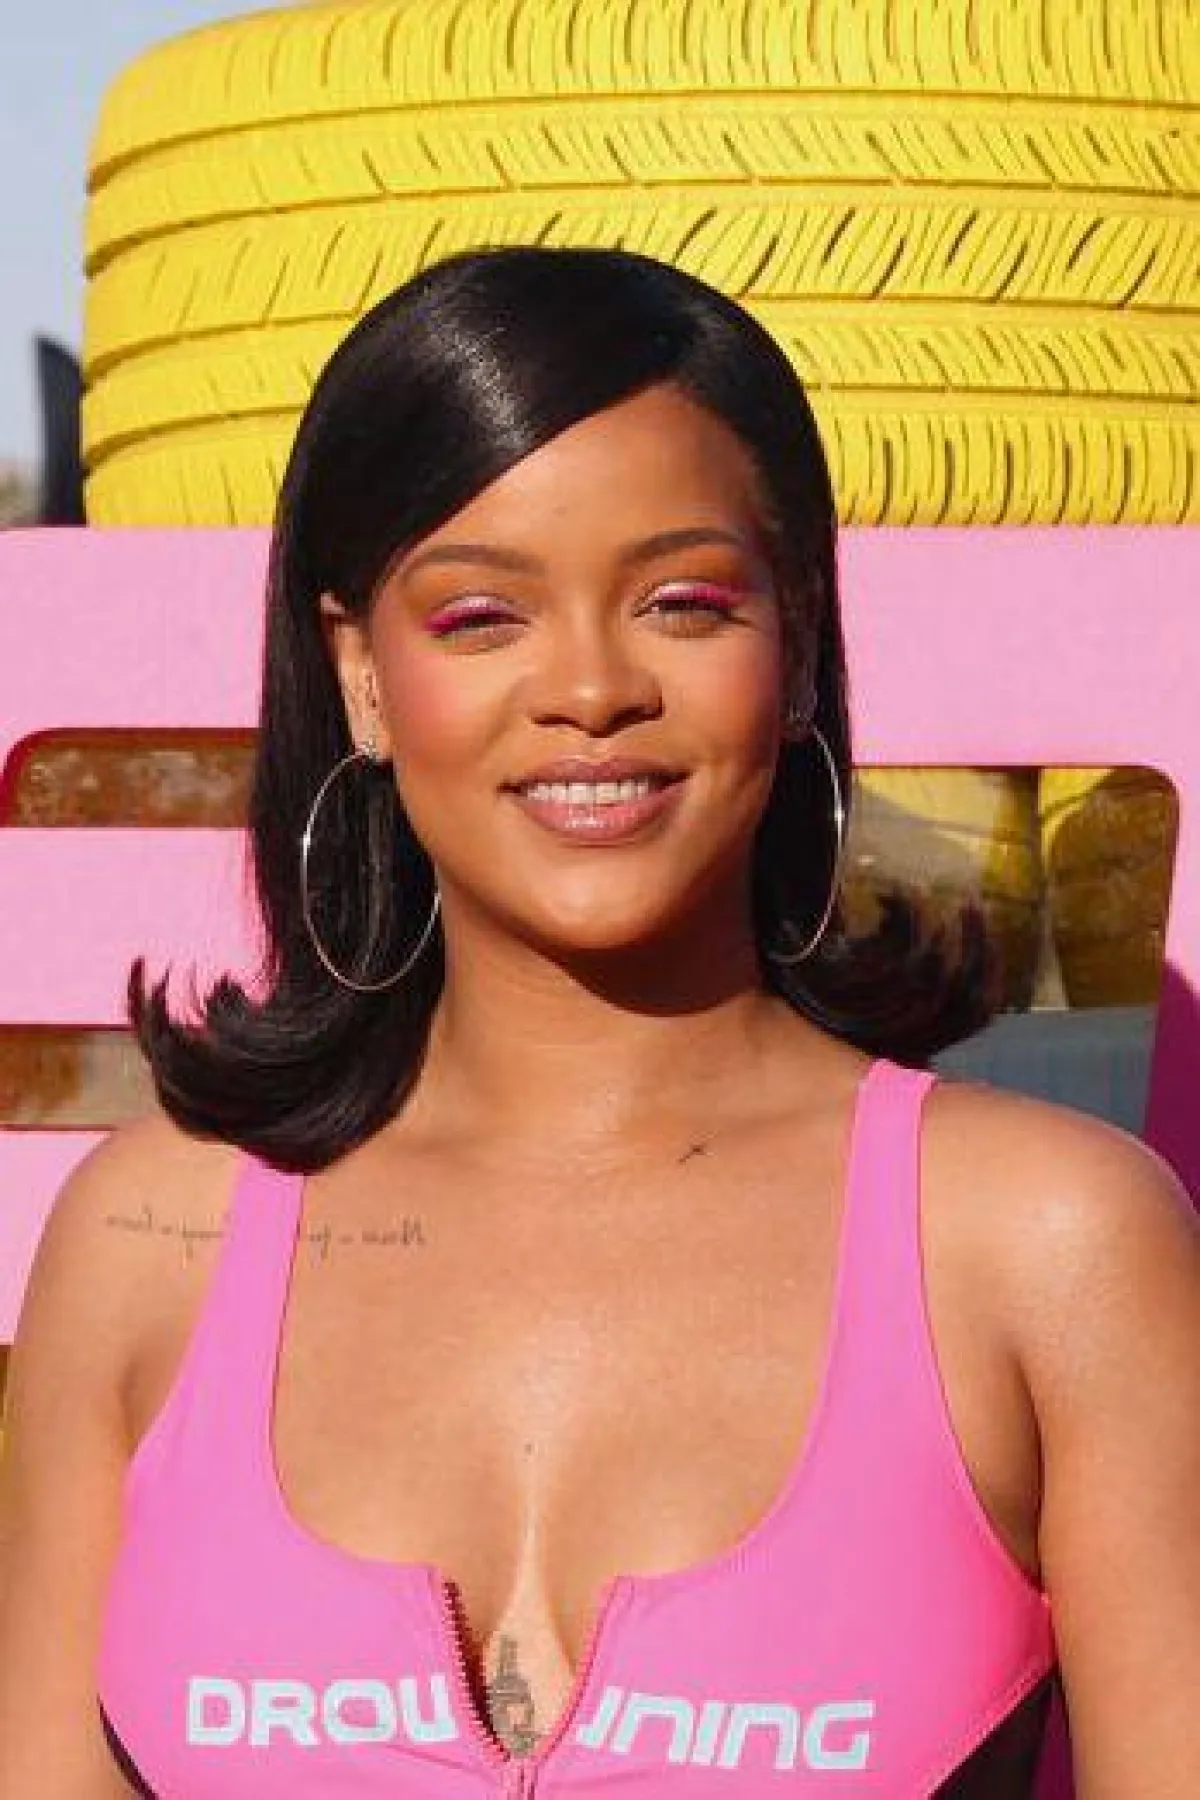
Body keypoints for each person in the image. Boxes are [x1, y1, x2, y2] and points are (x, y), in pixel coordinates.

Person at [0, 246, 1196, 1798]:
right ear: (362, 676)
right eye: (481, 615)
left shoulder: (1047, 1246)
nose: (587, 689)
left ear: (798, 640)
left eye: (683, 602)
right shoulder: (149, 1240)